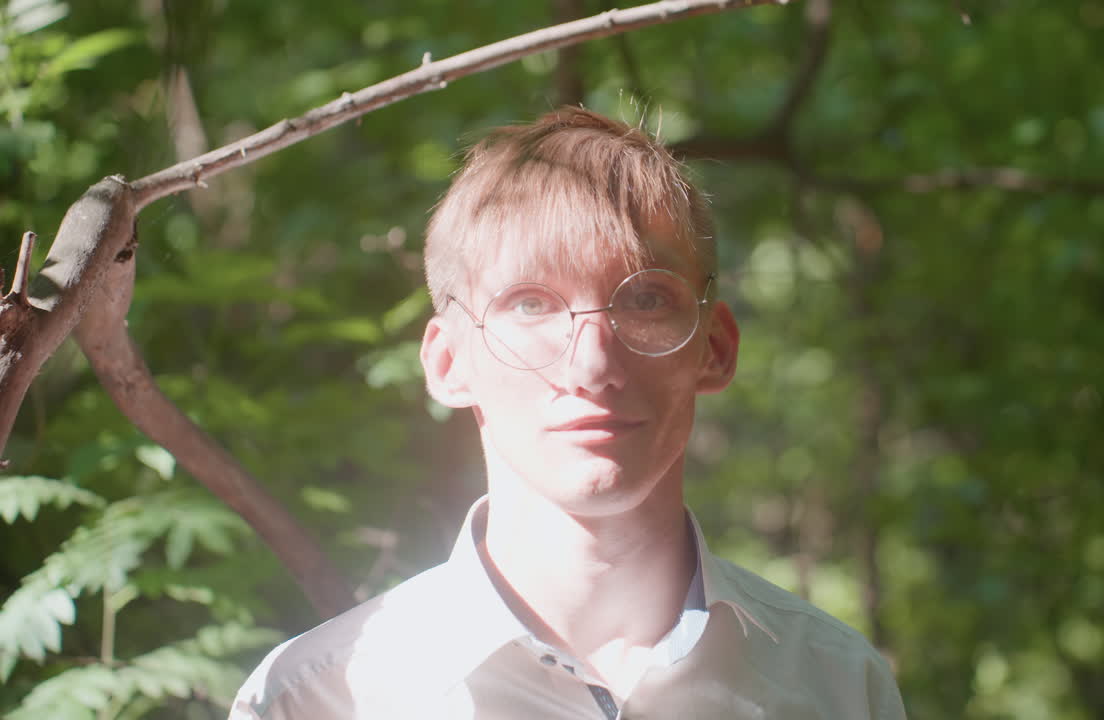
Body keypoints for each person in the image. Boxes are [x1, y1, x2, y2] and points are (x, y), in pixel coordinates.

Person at [228, 107, 907, 719]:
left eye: (645, 301)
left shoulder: (839, 689)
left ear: (716, 348)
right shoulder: (316, 701)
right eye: (529, 304)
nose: (592, 367)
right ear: (447, 362)